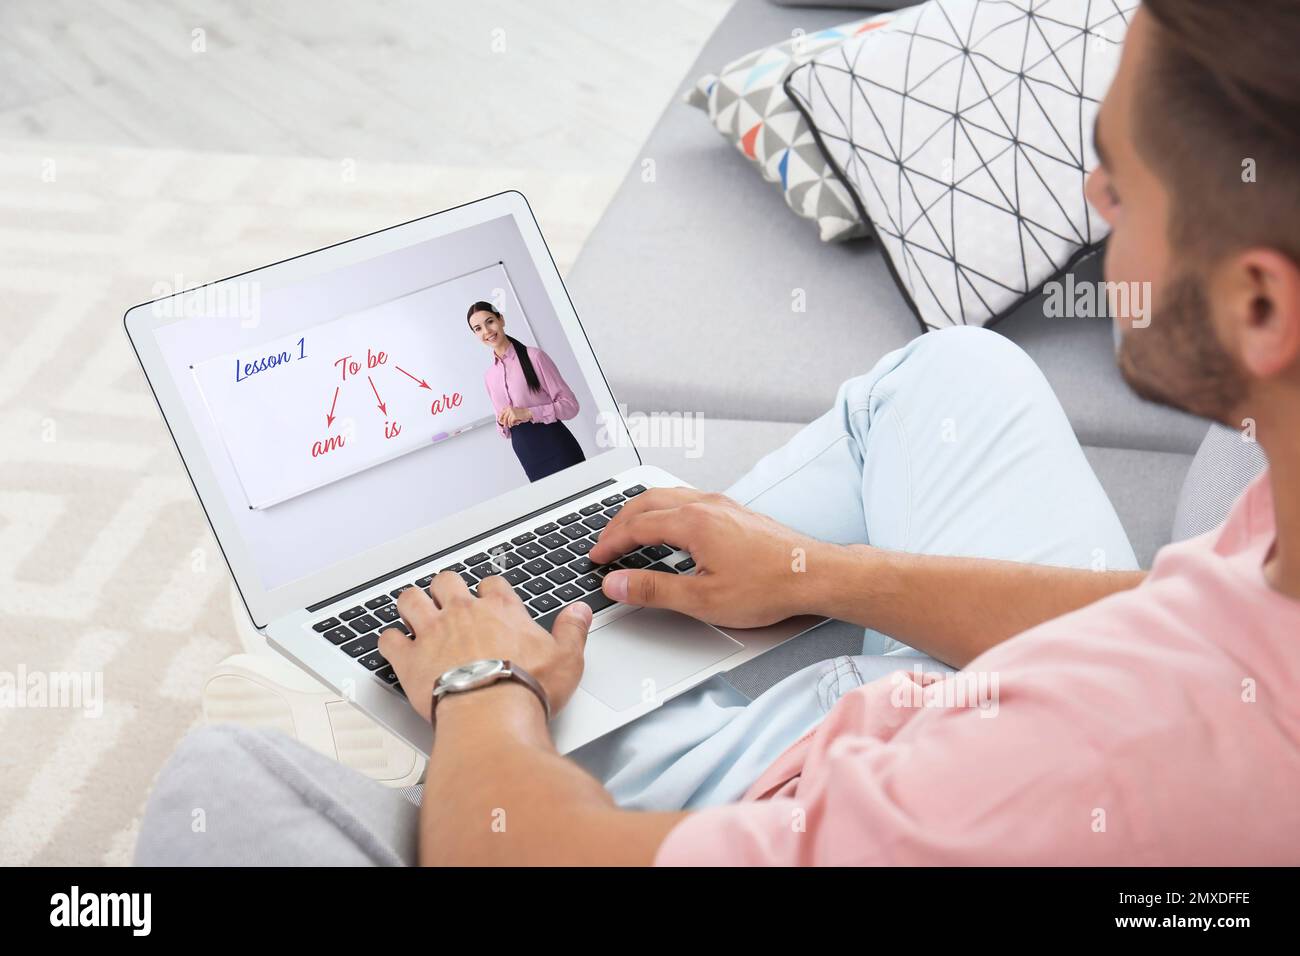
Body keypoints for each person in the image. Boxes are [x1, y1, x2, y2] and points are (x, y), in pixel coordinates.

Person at [135, 0, 1300, 866]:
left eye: (1120, 186)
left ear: (1259, 304)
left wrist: (485, 684)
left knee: (219, 788)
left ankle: (575, 681)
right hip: (921, 715)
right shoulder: (1273, 531)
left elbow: (522, 855)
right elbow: (1163, 616)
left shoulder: (1067, 772)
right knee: (957, 374)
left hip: (835, 787)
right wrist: (821, 571)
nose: (1095, 212)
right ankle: (659, 623)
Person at [468, 300, 585, 482]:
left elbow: (571, 406)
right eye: (478, 328)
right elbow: (504, 432)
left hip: (556, 446)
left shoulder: (534, 356)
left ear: (501, 320)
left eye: (490, 321)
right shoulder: (489, 376)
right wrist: (502, 423)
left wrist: (528, 412)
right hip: (527, 454)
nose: (486, 331)